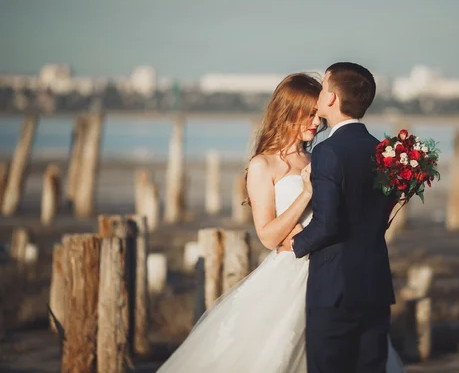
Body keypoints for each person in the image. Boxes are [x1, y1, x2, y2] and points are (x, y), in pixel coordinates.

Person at [157, 71, 403, 372]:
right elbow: (268, 236)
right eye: (308, 115)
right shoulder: (264, 164)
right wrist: (305, 196)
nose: (316, 122)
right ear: (287, 113)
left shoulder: (322, 157)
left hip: (332, 269)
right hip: (290, 273)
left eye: (318, 115)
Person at [284, 62, 398, 373]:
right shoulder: (382, 151)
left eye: (322, 89)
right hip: (375, 285)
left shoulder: (328, 151)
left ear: (332, 99)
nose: (319, 96)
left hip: (335, 290)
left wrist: (293, 244)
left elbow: (327, 224)